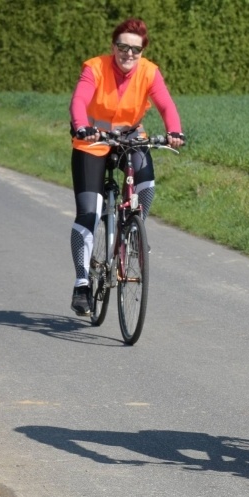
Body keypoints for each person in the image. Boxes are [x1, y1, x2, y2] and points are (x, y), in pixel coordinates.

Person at [68, 18, 185, 316]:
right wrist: (81, 126)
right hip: (93, 140)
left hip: (130, 138)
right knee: (89, 212)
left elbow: (166, 104)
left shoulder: (149, 72)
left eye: (136, 49)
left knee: (146, 185)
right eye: (123, 47)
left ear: (142, 51)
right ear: (113, 47)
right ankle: (82, 284)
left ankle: (133, 232)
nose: (129, 54)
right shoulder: (94, 68)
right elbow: (79, 100)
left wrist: (174, 131)